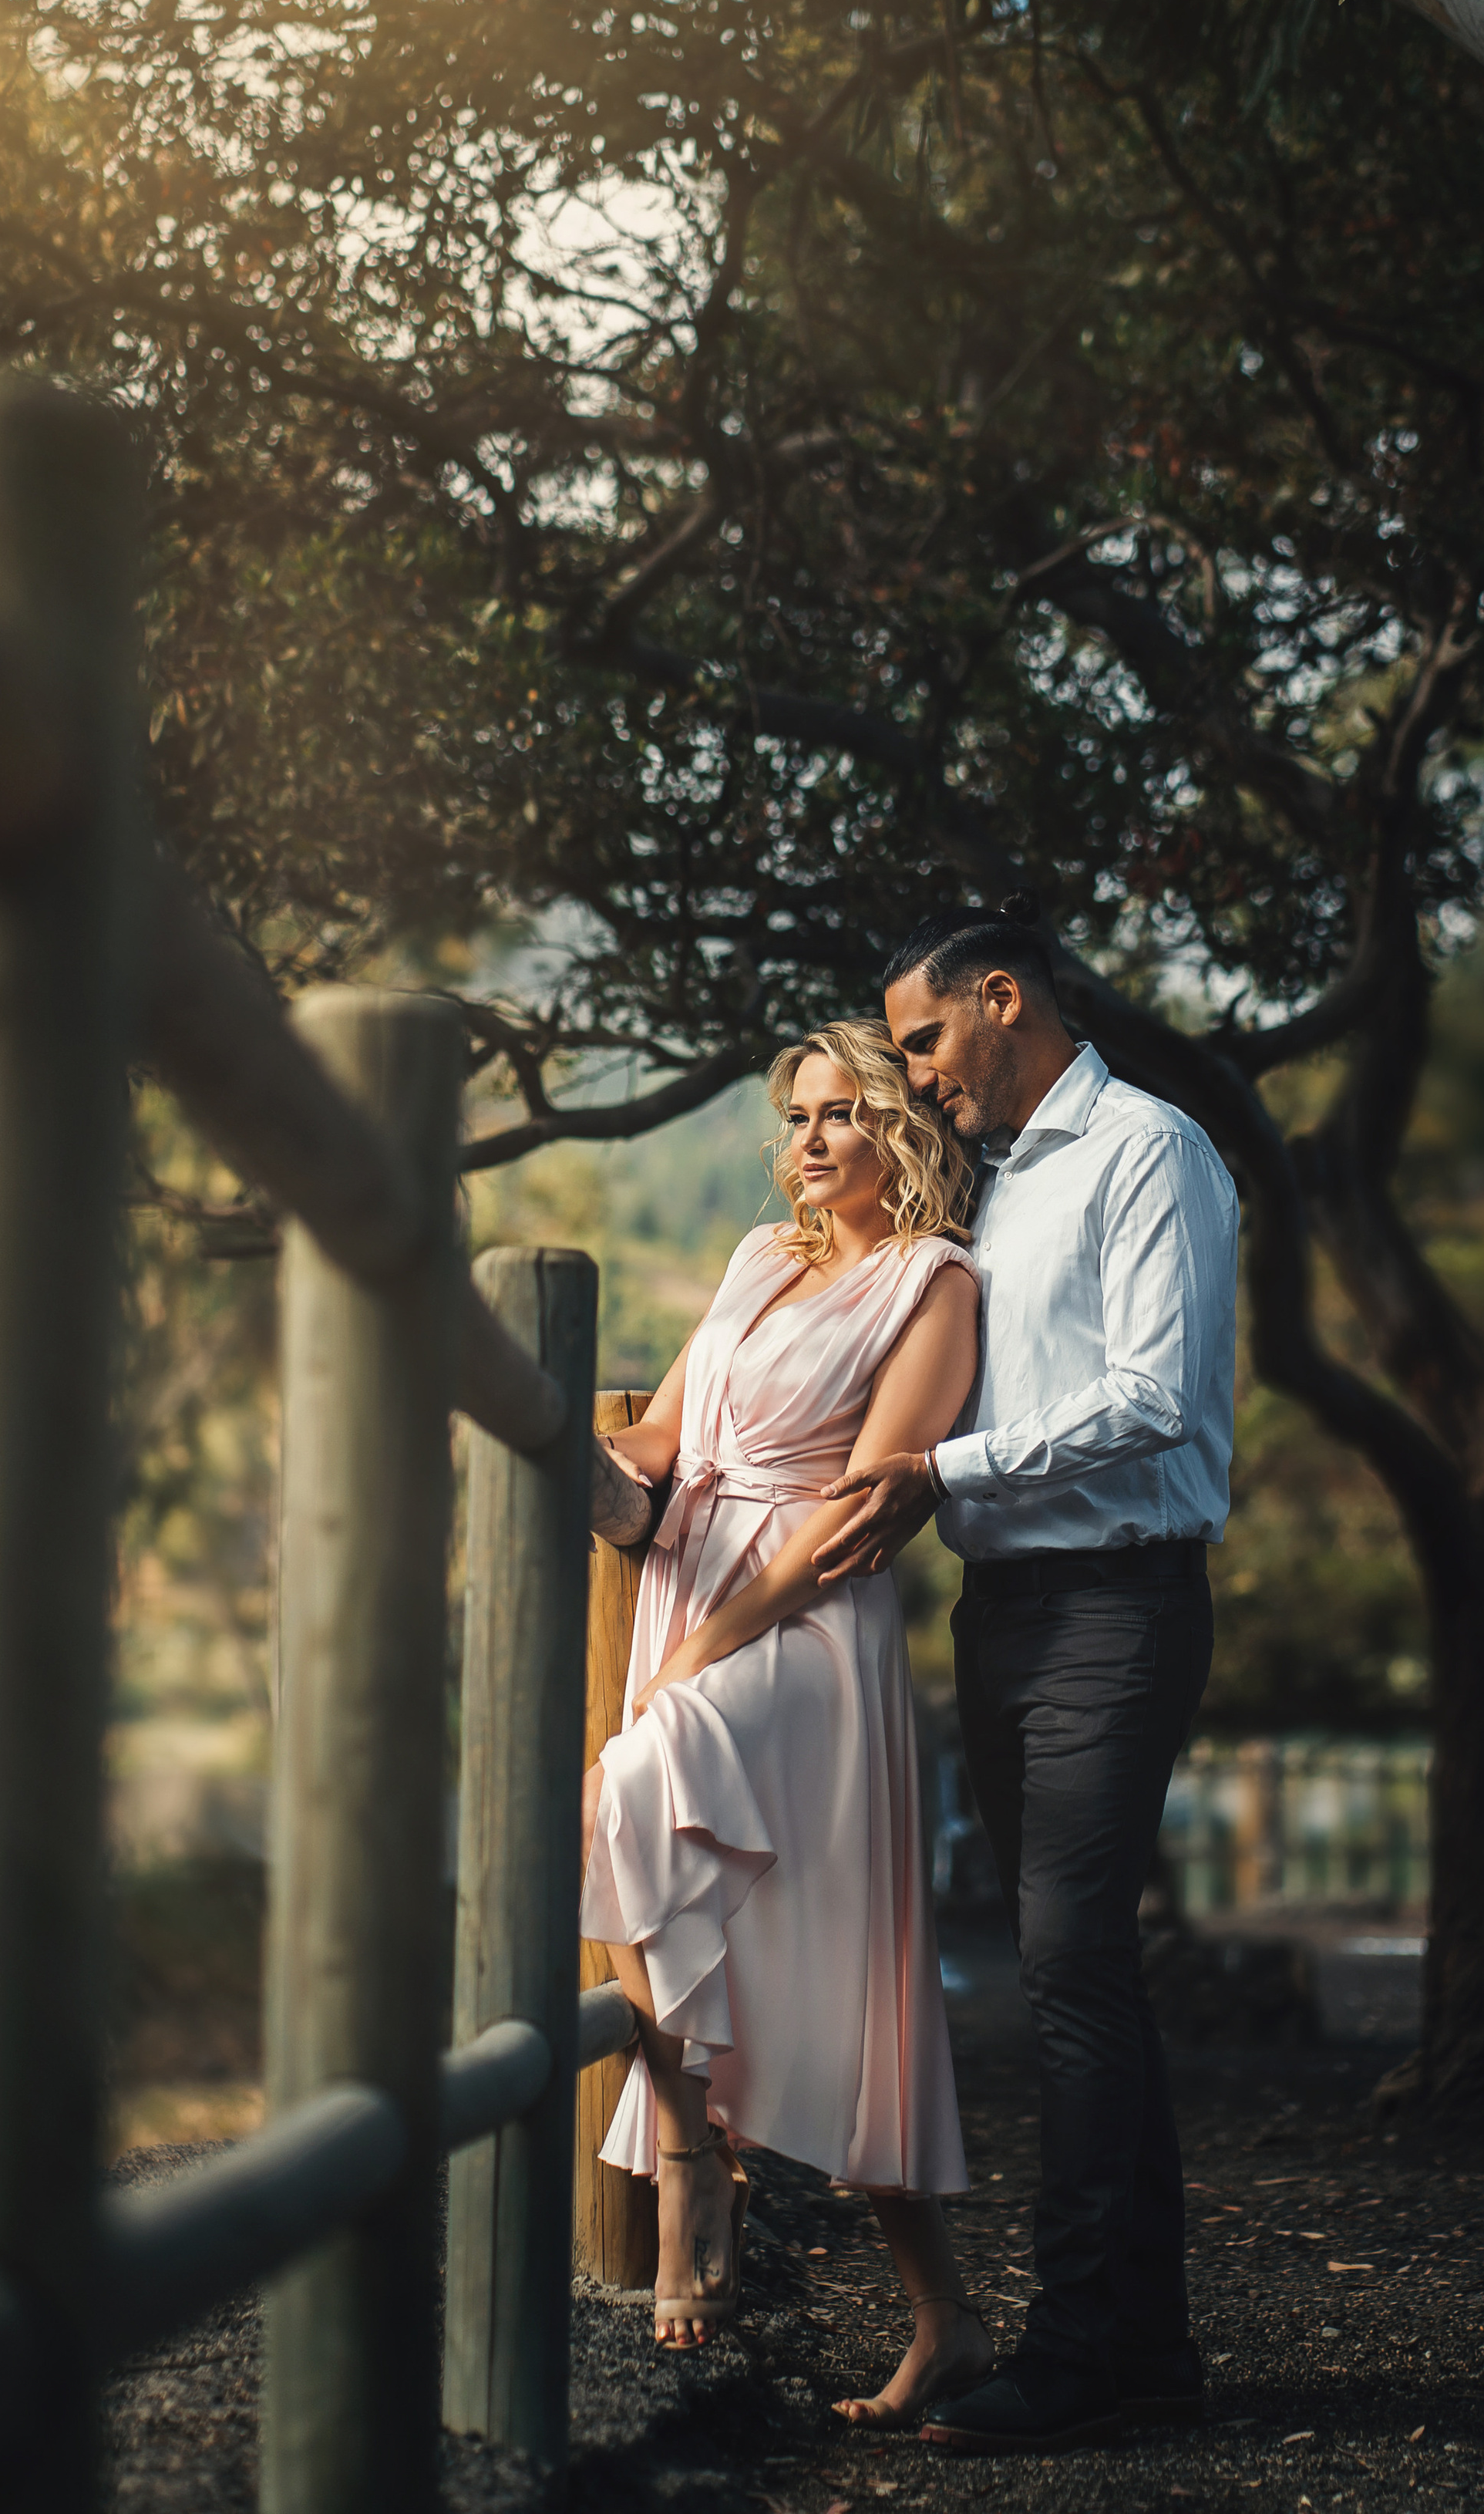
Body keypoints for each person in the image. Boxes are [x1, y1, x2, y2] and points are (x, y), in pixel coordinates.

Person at [816, 894, 1239, 2458]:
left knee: (1064, 1966)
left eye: (923, 1038)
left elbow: (1153, 1392)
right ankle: (1146, 2349)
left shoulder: (1148, 1150)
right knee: (1080, 1977)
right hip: (1002, 1611)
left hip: (1115, 1608)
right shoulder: (994, 1191)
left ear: (1001, 998)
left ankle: (1070, 2349)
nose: (916, 1073)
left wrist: (948, 1465)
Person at [580, 1019, 995, 2428]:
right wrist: (545, 1442)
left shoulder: (938, 1283)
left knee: (780, 1918)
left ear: (900, 1130)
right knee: (657, 1829)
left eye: (838, 1115)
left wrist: (706, 1637)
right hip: (694, 1574)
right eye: (797, 1117)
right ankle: (942, 2317)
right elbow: (665, 1447)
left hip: (803, 1619)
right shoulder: (760, 1258)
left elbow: (858, 1504)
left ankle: (699, 2173)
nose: (807, 1141)